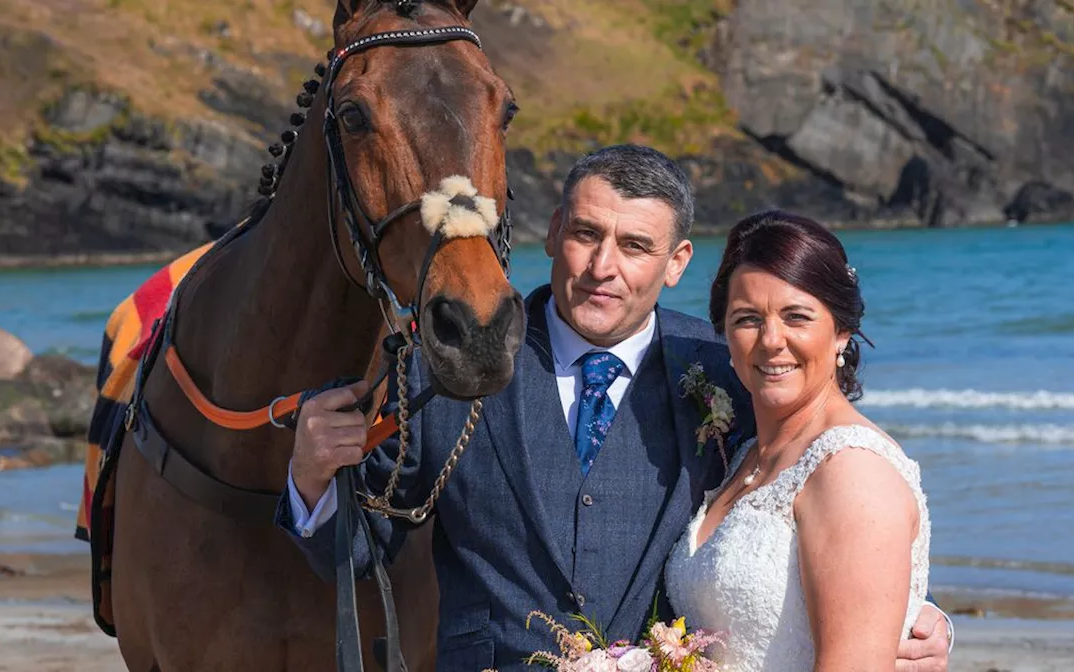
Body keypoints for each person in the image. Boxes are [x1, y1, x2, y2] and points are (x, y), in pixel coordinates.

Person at [280, 145, 951, 670]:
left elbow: (827, 509)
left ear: (677, 261)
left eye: (635, 246)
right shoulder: (448, 362)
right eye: (587, 234)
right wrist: (312, 478)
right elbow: (363, 551)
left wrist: (913, 618)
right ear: (551, 233)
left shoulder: (731, 367)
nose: (605, 266)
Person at [666, 210, 933, 670]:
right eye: (748, 319)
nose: (772, 340)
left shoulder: (852, 471)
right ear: (724, 334)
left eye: (797, 317)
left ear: (841, 332)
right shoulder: (745, 455)